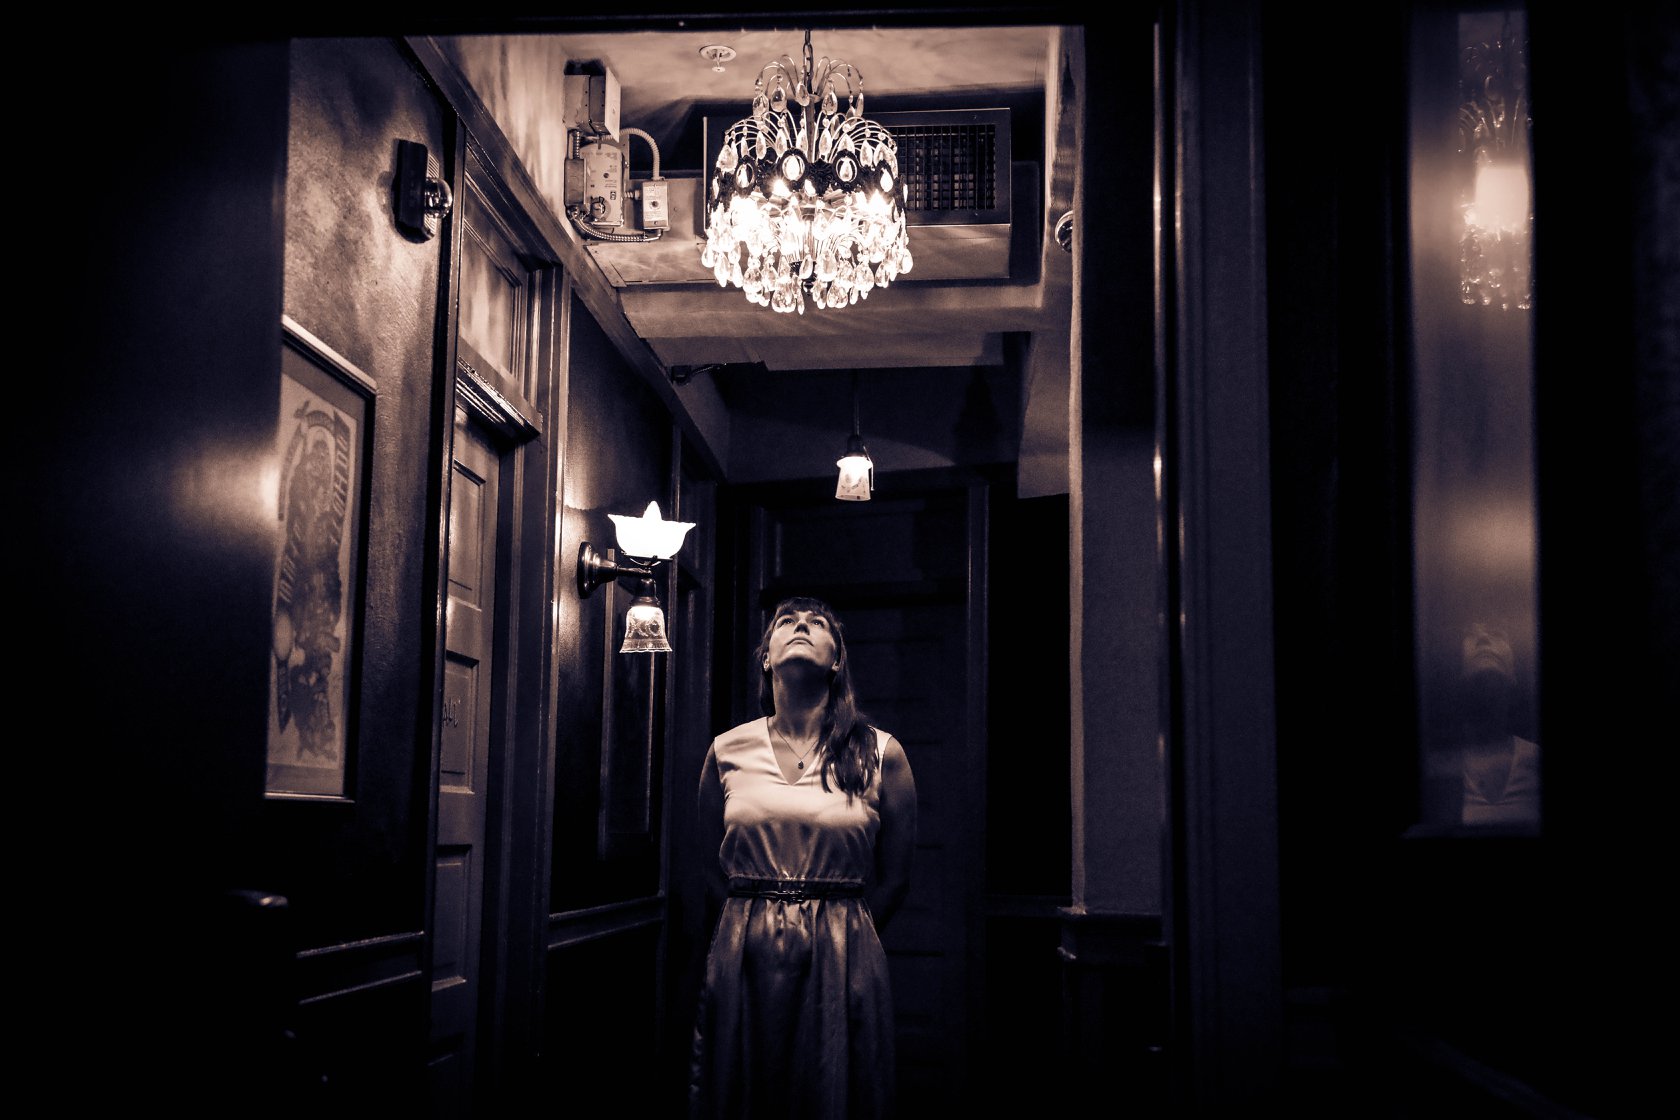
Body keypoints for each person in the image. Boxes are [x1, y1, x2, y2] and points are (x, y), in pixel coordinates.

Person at [689, 596, 917, 1119]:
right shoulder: (727, 749)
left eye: (817, 624)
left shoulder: (881, 751)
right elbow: (707, 863)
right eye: (786, 622)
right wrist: (748, 924)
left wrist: (845, 929)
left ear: (837, 661)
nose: (800, 627)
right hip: (744, 945)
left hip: (843, 945)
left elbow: (897, 876)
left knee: (838, 1085)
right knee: (744, 1085)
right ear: (765, 657)